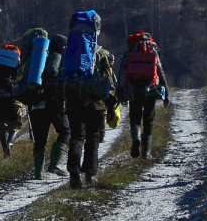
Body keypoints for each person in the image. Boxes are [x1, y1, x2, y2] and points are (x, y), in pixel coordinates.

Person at [63, 12, 116, 188]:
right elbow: (108, 82)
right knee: (93, 138)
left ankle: (74, 171)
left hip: (73, 100)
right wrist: (111, 104)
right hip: (96, 104)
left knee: (77, 137)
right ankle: (90, 174)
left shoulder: (70, 54)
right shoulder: (101, 54)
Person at [19, 30, 70, 180]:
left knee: (40, 139)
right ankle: (55, 164)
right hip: (53, 103)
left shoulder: (35, 59)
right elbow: (52, 72)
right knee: (65, 131)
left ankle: (38, 173)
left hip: (35, 104)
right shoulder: (56, 56)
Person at [122, 30, 169, 161]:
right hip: (151, 89)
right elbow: (160, 72)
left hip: (134, 89)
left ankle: (136, 139)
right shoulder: (152, 51)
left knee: (135, 117)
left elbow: (123, 72)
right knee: (149, 119)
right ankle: (146, 152)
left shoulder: (130, 52)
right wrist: (166, 93)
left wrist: (122, 92)